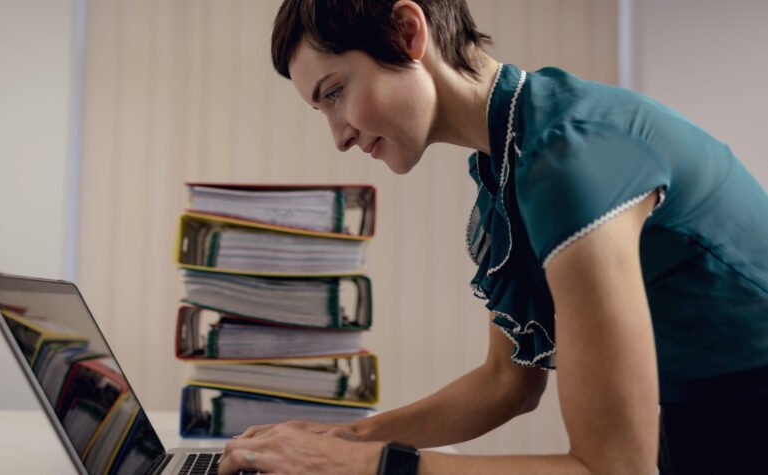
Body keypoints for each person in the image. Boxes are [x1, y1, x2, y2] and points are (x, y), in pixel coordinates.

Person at [218, 1, 768, 473]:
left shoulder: (567, 159)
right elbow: (507, 380)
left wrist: (372, 465)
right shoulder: (507, 164)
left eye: (335, 92)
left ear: (407, 33)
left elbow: (614, 466)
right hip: (700, 420)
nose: (337, 136)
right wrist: (343, 440)